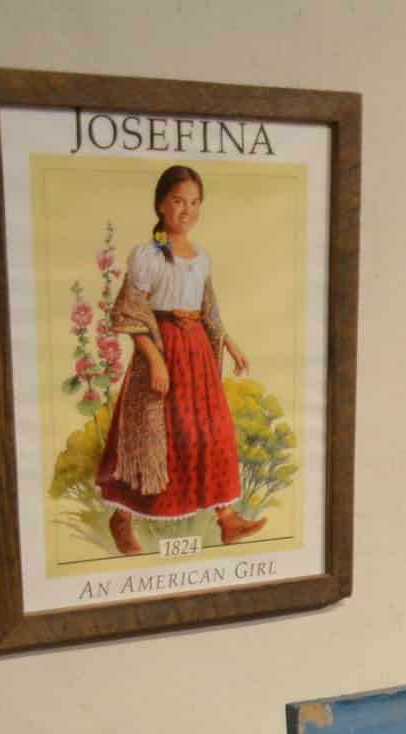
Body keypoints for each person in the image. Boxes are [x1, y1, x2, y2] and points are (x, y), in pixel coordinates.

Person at [94, 164, 263, 554]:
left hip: (199, 354)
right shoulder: (147, 255)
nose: (186, 210)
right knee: (157, 435)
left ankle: (227, 520)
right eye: (178, 201)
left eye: (194, 203)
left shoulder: (201, 258)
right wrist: (154, 359)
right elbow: (131, 313)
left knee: (210, 431)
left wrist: (232, 345)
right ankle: (122, 519)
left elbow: (209, 312)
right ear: (160, 205)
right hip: (163, 348)